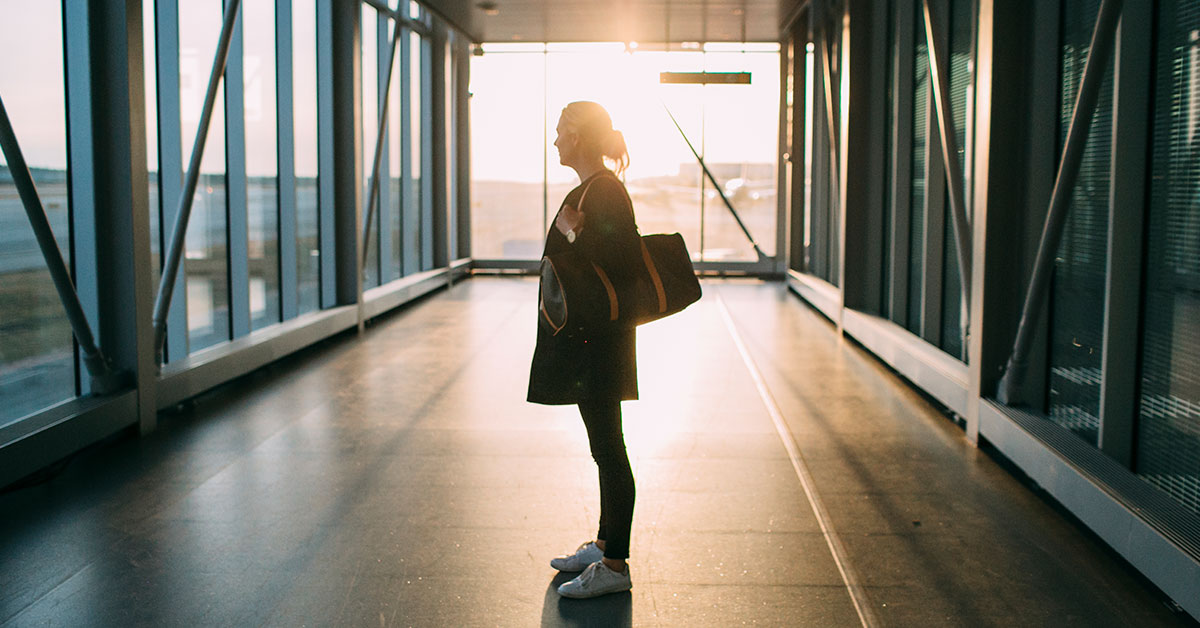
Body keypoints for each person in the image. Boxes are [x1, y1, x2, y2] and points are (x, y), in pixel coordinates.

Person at [527, 101, 641, 599]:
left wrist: (575, 228)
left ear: (578, 136)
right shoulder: (592, 189)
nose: (554, 142)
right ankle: (604, 543)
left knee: (610, 449)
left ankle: (614, 564)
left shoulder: (605, 192)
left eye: (559, 132)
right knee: (603, 447)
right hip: (591, 343)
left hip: (600, 345)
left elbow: (623, 260)